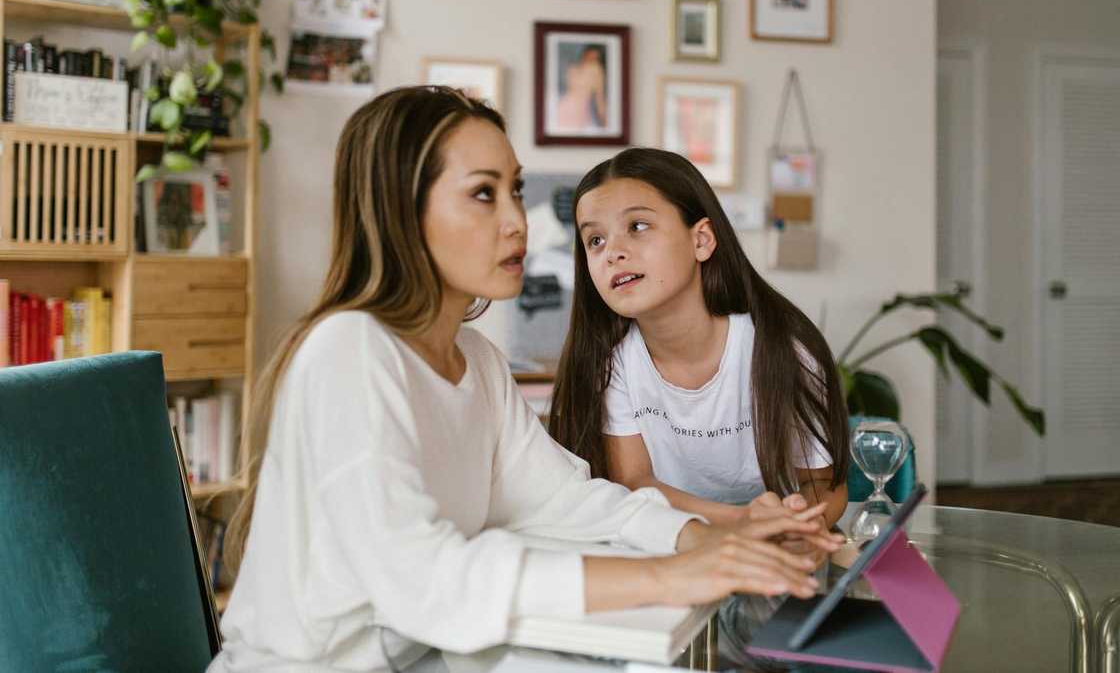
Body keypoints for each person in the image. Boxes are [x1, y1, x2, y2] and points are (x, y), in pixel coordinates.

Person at [209, 87, 842, 672]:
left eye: (515, 191)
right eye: (484, 193)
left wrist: (702, 540)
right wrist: (675, 576)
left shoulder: (476, 361)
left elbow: (569, 499)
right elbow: (424, 577)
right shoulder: (348, 351)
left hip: (425, 657)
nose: (517, 220)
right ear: (402, 208)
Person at [550, 148, 850, 560]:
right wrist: (742, 522)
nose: (612, 252)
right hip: (667, 550)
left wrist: (802, 524)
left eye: (637, 226)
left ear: (702, 240)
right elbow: (635, 482)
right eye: (595, 240)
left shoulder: (783, 347)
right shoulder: (611, 366)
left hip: (772, 554)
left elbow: (823, 484)